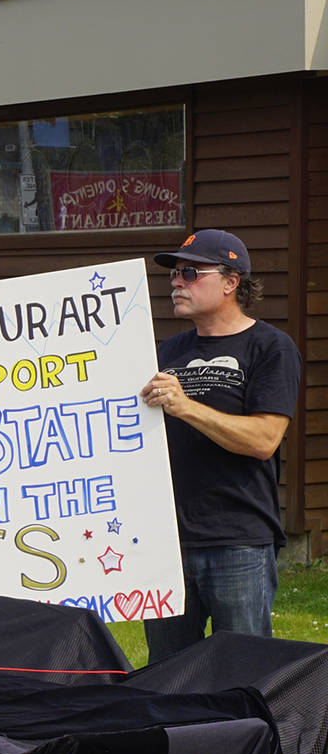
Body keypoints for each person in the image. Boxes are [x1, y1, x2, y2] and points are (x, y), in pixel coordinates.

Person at [138, 230, 300, 663]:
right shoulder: (169, 349)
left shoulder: (270, 347)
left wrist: (186, 407)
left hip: (238, 540)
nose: (176, 282)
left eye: (190, 272)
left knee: (243, 672)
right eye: (174, 274)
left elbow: (265, 440)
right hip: (168, 541)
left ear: (231, 282)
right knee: (168, 677)